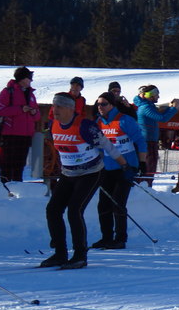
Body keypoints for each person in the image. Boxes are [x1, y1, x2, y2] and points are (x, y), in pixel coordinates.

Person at [40, 92, 132, 269]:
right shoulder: (54, 124)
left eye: (59, 106)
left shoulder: (84, 126)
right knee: (53, 209)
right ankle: (60, 253)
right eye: (53, 105)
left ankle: (80, 255)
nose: (54, 109)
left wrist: (124, 165)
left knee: (75, 210)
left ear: (70, 108)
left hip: (91, 173)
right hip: (68, 173)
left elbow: (108, 146)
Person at [91, 92, 147, 250]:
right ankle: (106, 238)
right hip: (107, 168)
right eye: (98, 104)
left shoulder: (124, 120)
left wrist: (142, 163)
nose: (100, 107)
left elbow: (140, 141)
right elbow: (97, 146)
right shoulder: (98, 122)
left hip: (126, 167)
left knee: (118, 202)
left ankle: (120, 238)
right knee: (103, 204)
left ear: (112, 105)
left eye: (103, 104)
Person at [0, 66, 41, 183]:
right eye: (29, 78)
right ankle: (5, 187)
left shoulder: (31, 94)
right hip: (10, 134)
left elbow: (37, 116)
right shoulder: (7, 92)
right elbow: (0, 110)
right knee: (7, 164)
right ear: (22, 79)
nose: (31, 80)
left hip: (26, 135)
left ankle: (18, 188)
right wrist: (20, 109)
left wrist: (34, 112)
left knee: (20, 165)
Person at [134, 85, 179, 187]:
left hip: (149, 141)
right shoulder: (145, 107)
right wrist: (174, 108)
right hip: (146, 142)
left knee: (150, 167)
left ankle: (146, 186)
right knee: (148, 167)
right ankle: (144, 187)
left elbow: (159, 116)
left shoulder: (148, 106)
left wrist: (170, 108)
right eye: (157, 94)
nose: (158, 97)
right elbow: (162, 118)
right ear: (150, 95)